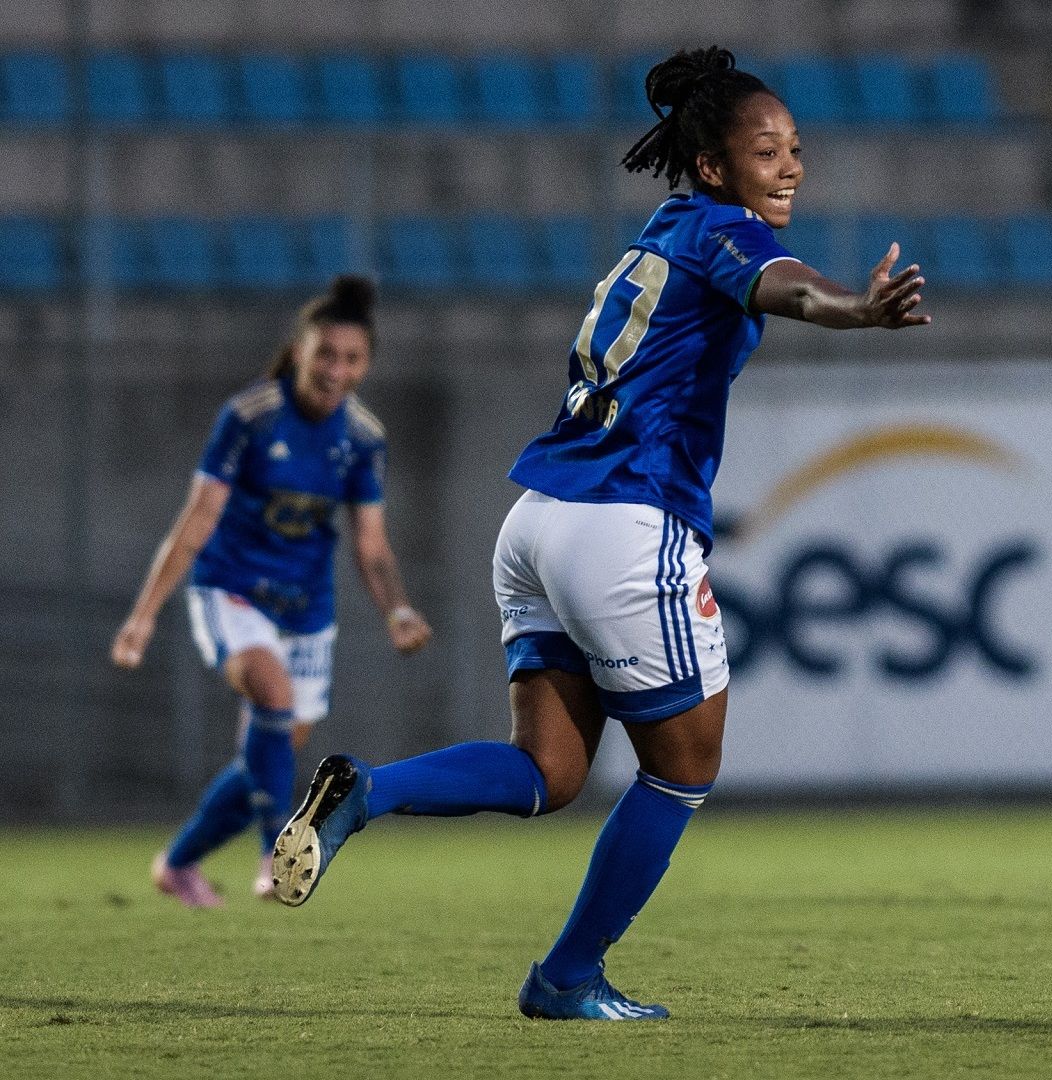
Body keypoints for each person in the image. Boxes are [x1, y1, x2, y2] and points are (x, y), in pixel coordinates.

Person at [269, 46, 930, 1021]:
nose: (791, 167)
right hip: (626, 523)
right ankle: (566, 978)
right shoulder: (721, 233)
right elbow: (783, 287)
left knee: (551, 772)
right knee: (686, 768)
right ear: (715, 167)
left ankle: (370, 791)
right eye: (767, 151)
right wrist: (856, 311)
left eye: (796, 149)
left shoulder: (663, 229)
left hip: (537, 522)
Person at [111, 275, 433, 908]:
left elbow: (371, 544)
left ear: (365, 364)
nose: (336, 370)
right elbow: (197, 518)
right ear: (299, 351)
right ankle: (273, 855)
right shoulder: (251, 417)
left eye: (352, 359)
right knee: (274, 694)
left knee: (277, 746)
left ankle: (176, 864)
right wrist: (143, 616)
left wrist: (396, 609)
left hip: (305, 607)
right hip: (229, 587)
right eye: (325, 355)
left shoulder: (364, 439)